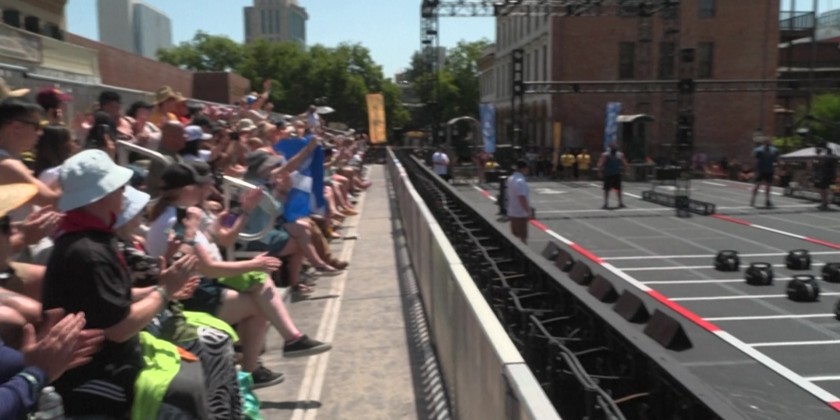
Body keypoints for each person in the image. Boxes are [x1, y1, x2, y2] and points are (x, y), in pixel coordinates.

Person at [41, 149, 207, 418]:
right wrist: (164, 291)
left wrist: (158, 288)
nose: (124, 193)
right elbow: (118, 329)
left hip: (114, 359)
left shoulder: (92, 238)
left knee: (198, 366)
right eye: (120, 187)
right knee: (184, 395)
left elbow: (111, 297)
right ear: (103, 195)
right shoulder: (88, 251)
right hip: (93, 376)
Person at [597, 142, 629, 209]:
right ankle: (606, 203)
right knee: (606, 190)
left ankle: (620, 203)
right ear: (609, 148)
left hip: (616, 174)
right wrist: (600, 171)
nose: (613, 148)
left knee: (619, 189)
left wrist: (625, 171)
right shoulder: (605, 155)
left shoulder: (620, 155)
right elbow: (600, 164)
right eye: (612, 147)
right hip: (608, 174)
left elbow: (625, 163)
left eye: (614, 146)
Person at [506, 159, 531, 244]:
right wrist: (528, 211)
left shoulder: (511, 178)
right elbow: (521, 197)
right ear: (524, 168)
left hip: (512, 211)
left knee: (515, 236)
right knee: (523, 237)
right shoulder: (520, 181)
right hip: (520, 213)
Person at [750, 137, 779, 208]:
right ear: (764, 142)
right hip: (761, 170)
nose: (768, 143)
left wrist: (776, 171)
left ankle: (767, 200)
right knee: (757, 185)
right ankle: (753, 199)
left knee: (768, 187)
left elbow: (776, 161)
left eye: (769, 141)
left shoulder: (774, 150)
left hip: (770, 170)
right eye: (766, 142)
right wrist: (755, 171)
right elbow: (756, 161)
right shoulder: (759, 150)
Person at [814, 144, 838, 211]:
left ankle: (824, 203)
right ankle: (827, 202)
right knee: (832, 189)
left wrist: (818, 154)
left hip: (825, 176)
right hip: (833, 176)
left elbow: (819, 161)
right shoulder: (835, 157)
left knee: (823, 189)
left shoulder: (825, 157)